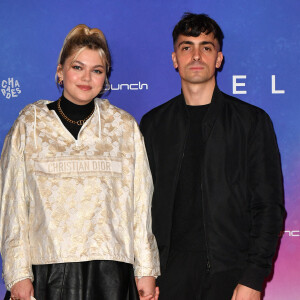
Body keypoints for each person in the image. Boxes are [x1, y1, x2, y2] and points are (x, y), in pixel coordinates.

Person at [0, 24, 160, 300]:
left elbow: (140, 205)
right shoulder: (30, 123)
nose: (86, 77)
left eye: (96, 70)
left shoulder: (124, 127)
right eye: (77, 67)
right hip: (47, 272)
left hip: (112, 274)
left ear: (105, 77)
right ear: (60, 71)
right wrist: (18, 274)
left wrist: (146, 270)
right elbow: (12, 204)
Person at [140, 13, 285, 300]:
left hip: (231, 276)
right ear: (174, 59)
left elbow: (269, 207)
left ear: (218, 58)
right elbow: (139, 206)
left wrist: (254, 278)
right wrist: (146, 271)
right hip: (168, 278)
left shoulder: (251, 122)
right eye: (186, 47)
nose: (196, 55)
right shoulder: (153, 124)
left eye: (206, 47)